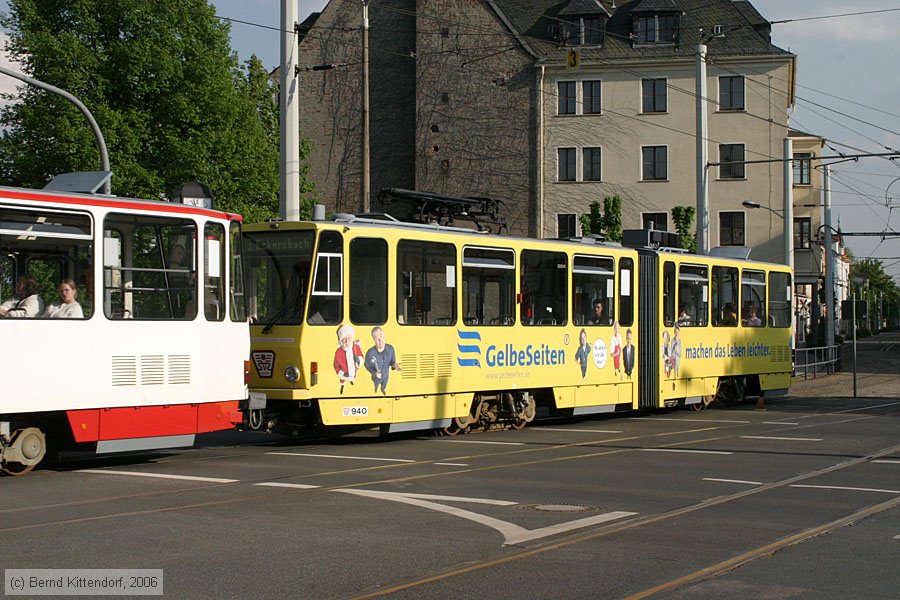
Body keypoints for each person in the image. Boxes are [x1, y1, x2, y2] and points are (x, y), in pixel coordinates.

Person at [364, 326, 401, 394]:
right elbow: (367, 366)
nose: (380, 340)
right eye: (376, 338)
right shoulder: (370, 352)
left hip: (386, 376)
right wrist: (374, 372)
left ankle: (383, 389)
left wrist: (394, 365)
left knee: (384, 386)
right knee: (376, 385)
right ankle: (376, 389)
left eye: (381, 335)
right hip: (376, 378)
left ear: (384, 335)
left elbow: (392, 362)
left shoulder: (391, 349)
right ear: (373, 339)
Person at [333, 323, 363, 393]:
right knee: (342, 380)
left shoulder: (356, 348)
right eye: (344, 339)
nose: (347, 341)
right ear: (341, 340)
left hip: (353, 371)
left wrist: (358, 360)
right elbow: (336, 365)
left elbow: (361, 356)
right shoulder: (338, 352)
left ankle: (351, 380)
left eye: (349, 338)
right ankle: (342, 385)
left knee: (352, 376)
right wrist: (342, 373)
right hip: (344, 373)